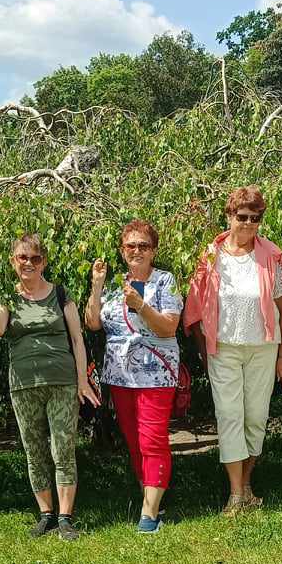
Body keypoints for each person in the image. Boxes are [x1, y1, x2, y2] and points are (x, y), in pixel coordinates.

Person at [182, 186, 282, 516]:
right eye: (241, 216)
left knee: (256, 418)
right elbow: (196, 308)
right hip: (224, 348)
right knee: (230, 416)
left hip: (263, 347)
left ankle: (247, 485)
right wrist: (204, 350)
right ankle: (235, 495)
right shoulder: (211, 256)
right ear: (229, 216)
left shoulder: (272, 255)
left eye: (255, 217)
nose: (248, 223)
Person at [0, 234, 99, 541]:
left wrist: (82, 381)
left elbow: (77, 339)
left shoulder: (60, 294)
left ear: (43, 261)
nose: (29, 263)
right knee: (34, 450)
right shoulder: (8, 298)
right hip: (23, 384)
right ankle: (46, 514)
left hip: (62, 382)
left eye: (35, 258)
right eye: (23, 258)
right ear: (13, 261)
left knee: (62, 448)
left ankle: (65, 517)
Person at [86, 220, 183, 534]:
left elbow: (168, 327)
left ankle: (149, 514)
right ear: (122, 250)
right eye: (131, 245)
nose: (137, 251)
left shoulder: (166, 281)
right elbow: (93, 324)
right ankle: (150, 498)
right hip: (121, 375)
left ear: (153, 250)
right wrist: (97, 285)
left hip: (155, 374)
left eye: (144, 245)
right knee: (134, 441)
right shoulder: (117, 284)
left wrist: (141, 305)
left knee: (152, 440)